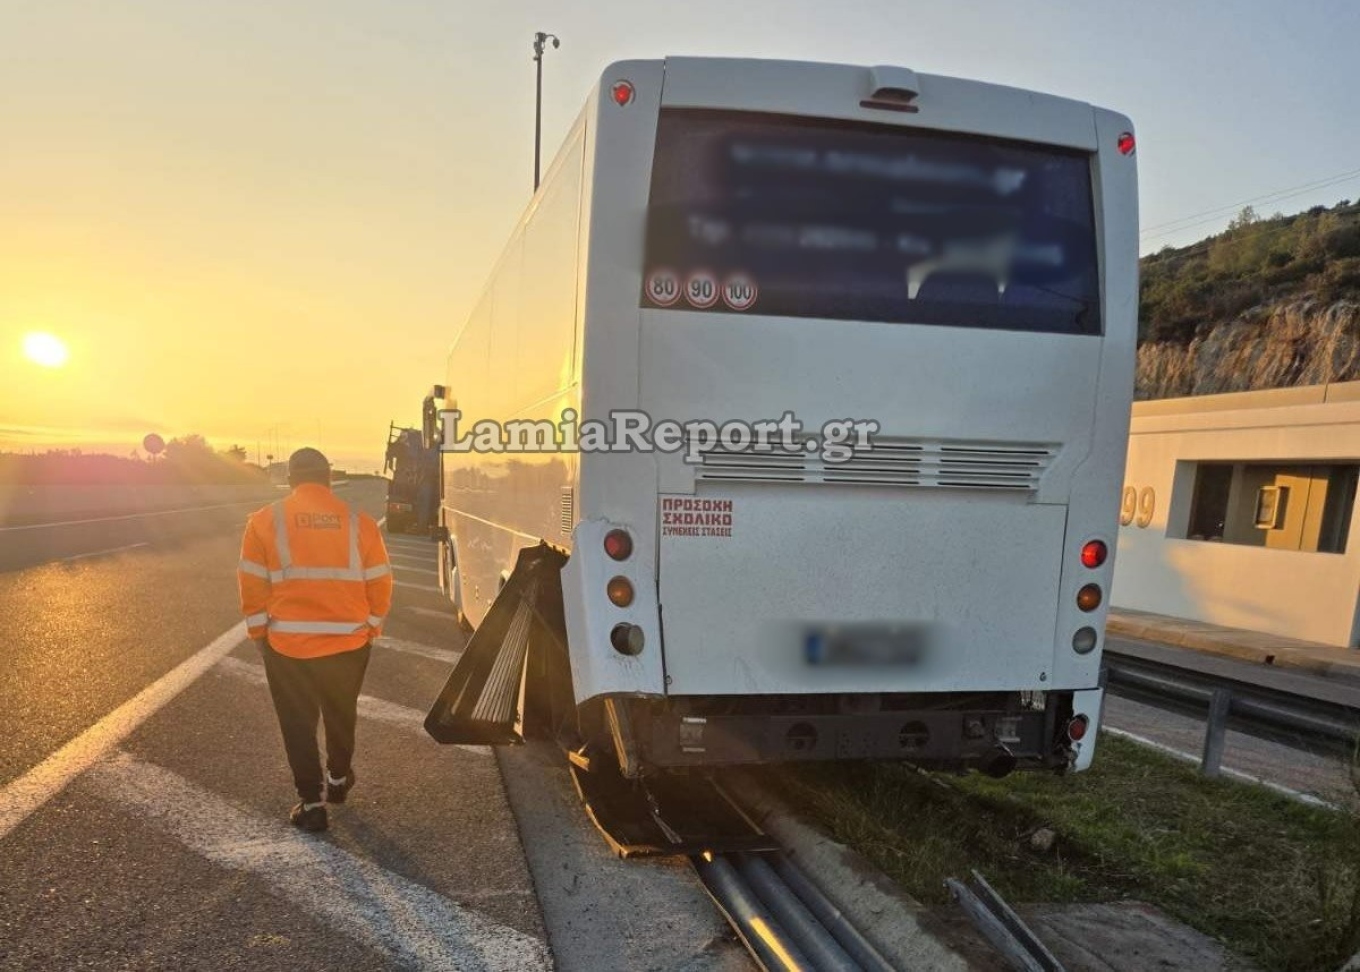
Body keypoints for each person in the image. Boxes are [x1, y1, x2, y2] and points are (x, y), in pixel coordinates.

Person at [237, 447, 393, 832]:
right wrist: (371, 624)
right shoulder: (361, 522)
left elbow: (251, 582)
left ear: (291, 480)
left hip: (287, 646)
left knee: (297, 723)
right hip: (348, 643)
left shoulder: (263, 521)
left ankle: (311, 803)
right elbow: (381, 581)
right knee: (341, 714)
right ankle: (338, 780)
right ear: (329, 478)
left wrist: (260, 633)